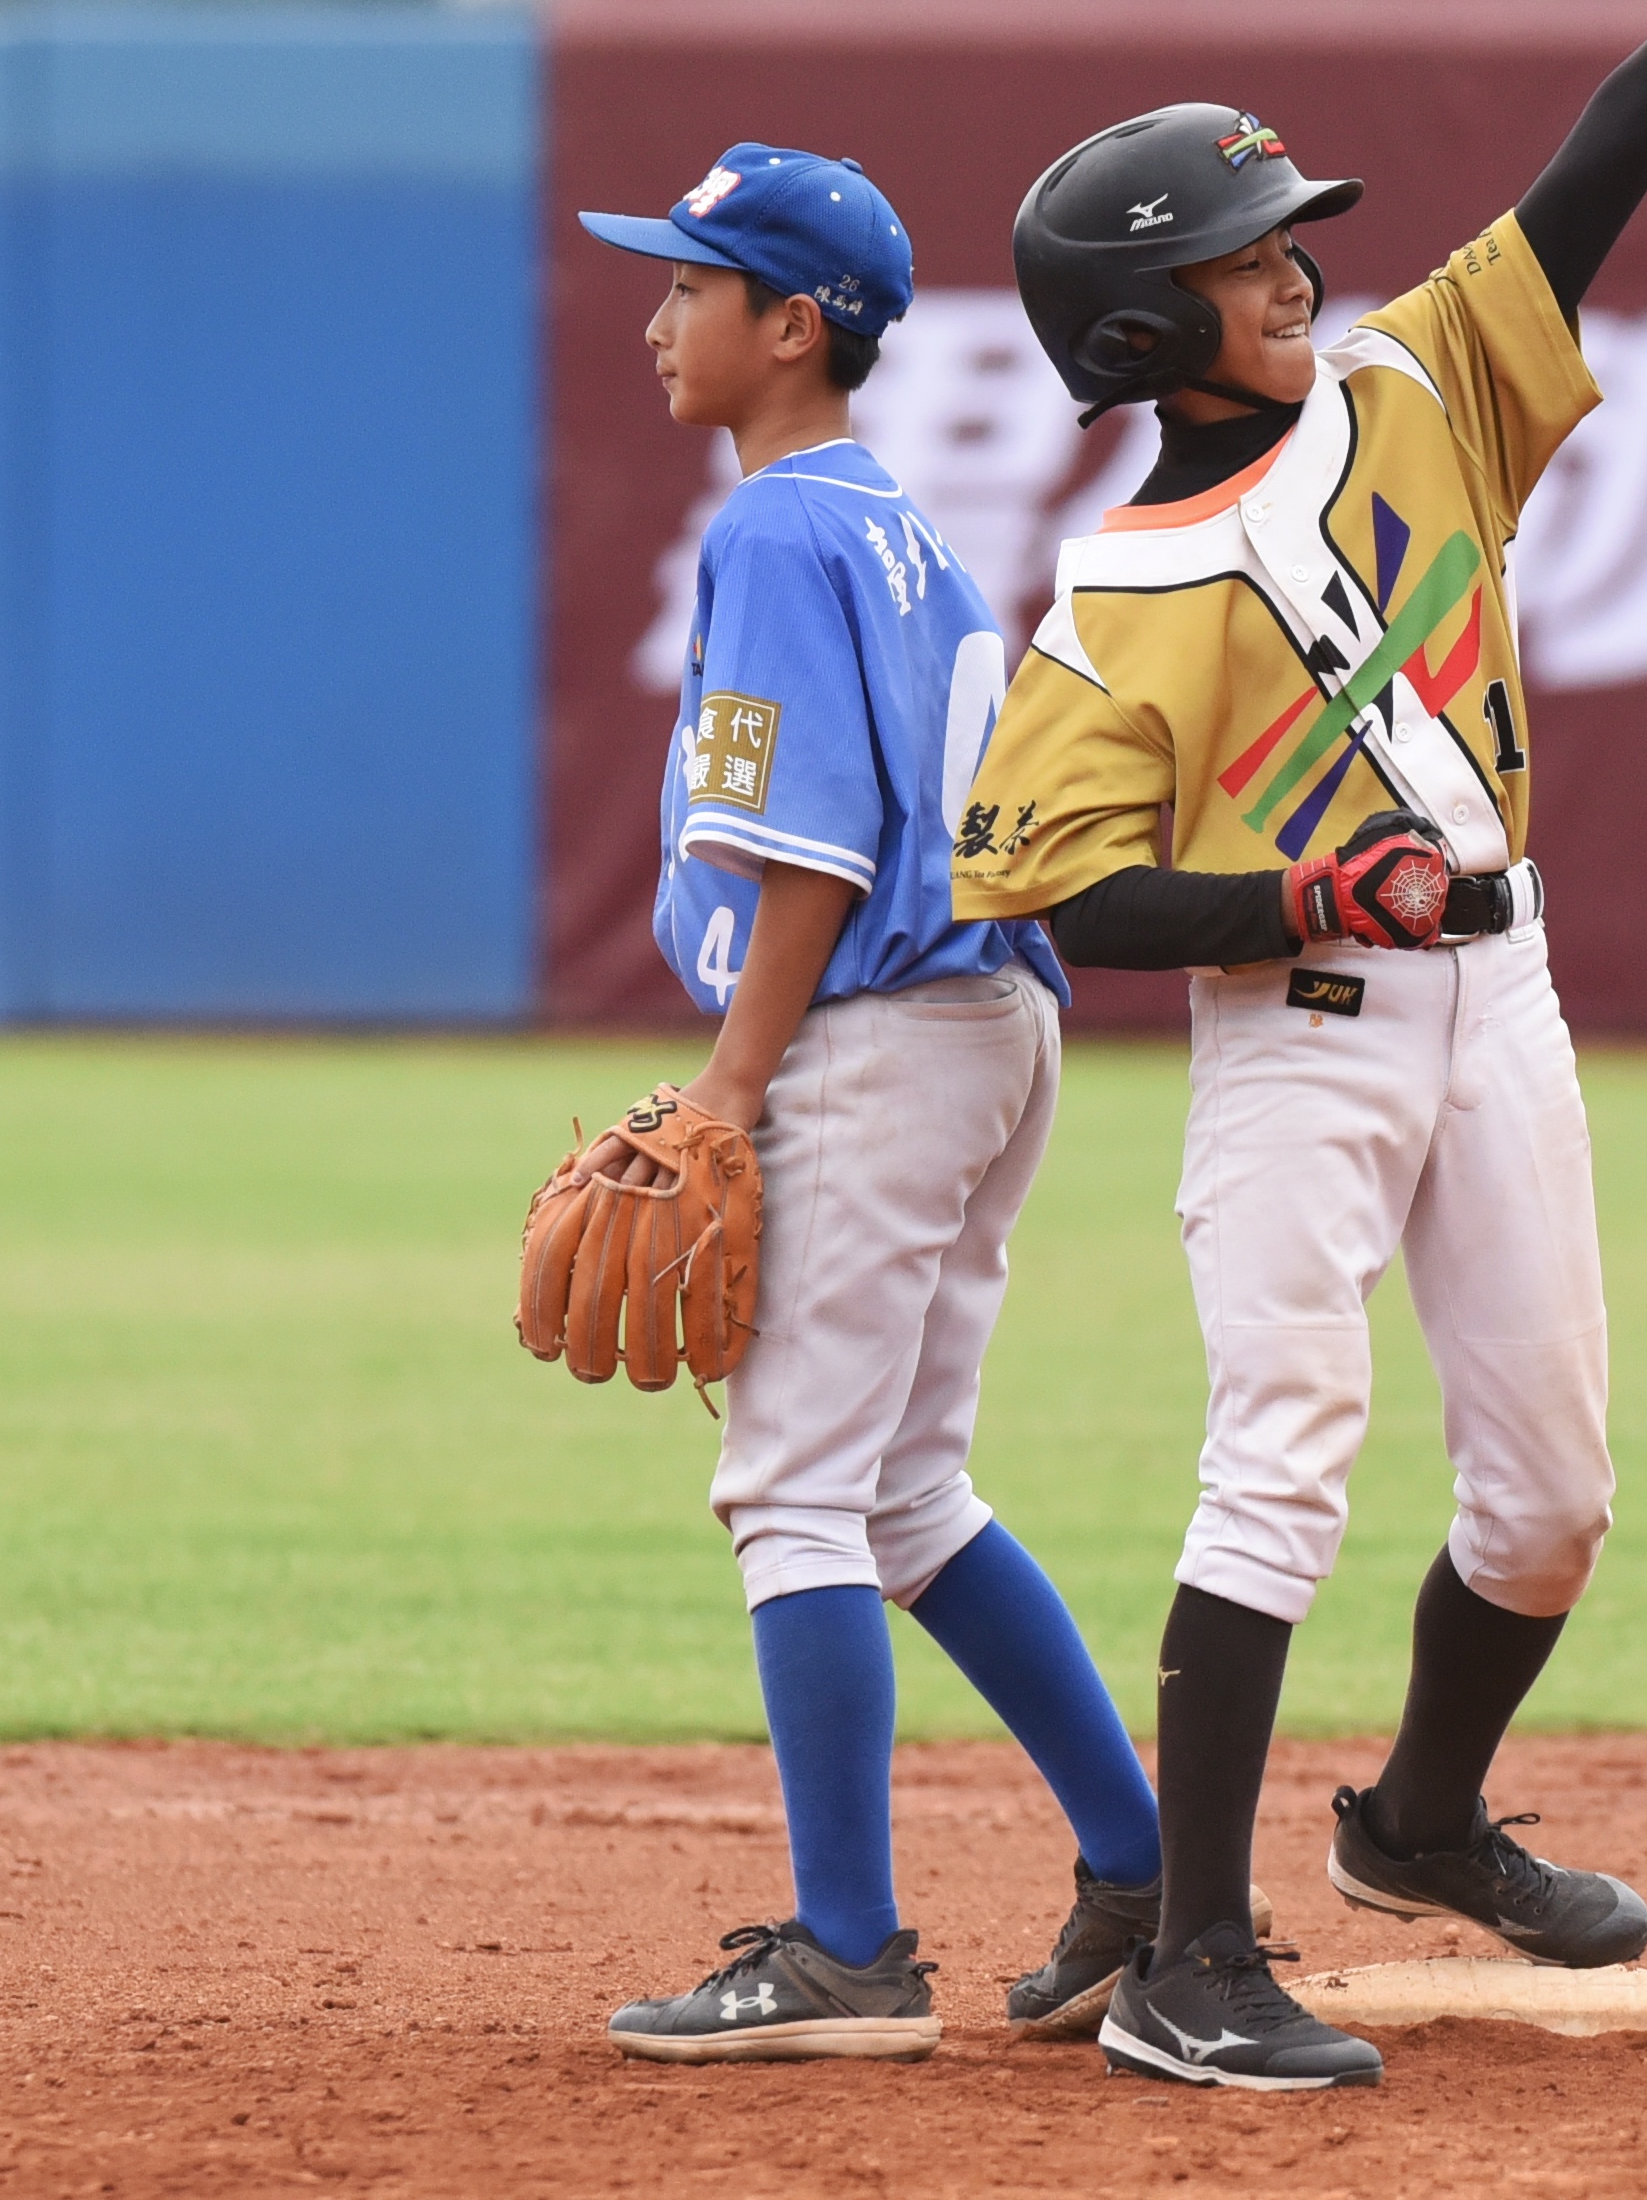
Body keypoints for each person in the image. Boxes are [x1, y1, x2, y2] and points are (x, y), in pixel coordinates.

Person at [947, 0, 1647, 2092]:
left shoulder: (1416, 391)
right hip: (1297, 1037)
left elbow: (1608, 168)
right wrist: (1305, 897)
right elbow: (1071, 900)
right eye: (1245, 259)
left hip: (1504, 991)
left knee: (1552, 1494)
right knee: (1281, 1450)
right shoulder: (1109, 605)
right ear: (1134, 330)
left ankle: (1423, 1819)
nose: (1294, 271)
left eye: (1291, 243)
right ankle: (1190, 1956)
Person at [568, 142, 1176, 2062]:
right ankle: (1149, 1868)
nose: (659, 315)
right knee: (907, 1492)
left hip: (879, 1025)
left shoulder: (769, 530)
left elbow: (808, 850)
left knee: (791, 1496)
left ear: (791, 324)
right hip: (993, 1022)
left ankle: (845, 1950)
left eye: (693, 285)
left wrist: (731, 1086)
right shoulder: (901, 521)